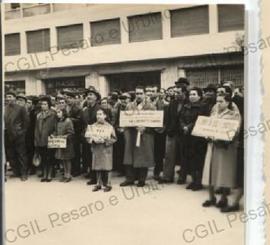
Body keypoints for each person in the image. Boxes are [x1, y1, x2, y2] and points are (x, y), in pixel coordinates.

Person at [202, 94, 241, 210]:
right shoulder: (214, 113)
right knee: (209, 170)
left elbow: (235, 130)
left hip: (225, 148)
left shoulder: (234, 115)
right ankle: (211, 197)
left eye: (221, 101)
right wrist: (206, 135)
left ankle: (224, 198)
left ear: (228, 102)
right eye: (217, 101)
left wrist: (224, 139)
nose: (218, 104)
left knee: (224, 172)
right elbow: (207, 127)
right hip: (212, 145)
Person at [120, 86, 156, 187]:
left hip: (144, 134)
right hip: (131, 133)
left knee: (142, 156)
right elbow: (125, 119)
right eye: (137, 93)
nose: (139, 95)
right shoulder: (129, 106)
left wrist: (145, 127)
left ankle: (141, 179)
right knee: (129, 156)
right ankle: (130, 178)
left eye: (140, 93)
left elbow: (154, 121)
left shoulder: (151, 106)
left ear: (144, 94)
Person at [178, 87, 207, 190]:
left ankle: (198, 182)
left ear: (199, 96)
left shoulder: (203, 107)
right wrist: (183, 126)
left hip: (197, 137)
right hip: (186, 136)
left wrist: (188, 127)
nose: (191, 96)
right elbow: (180, 117)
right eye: (190, 94)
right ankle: (193, 180)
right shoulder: (186, 106)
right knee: (189, 159)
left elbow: (200, 120)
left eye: (194, 94)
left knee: (197, 160)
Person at [158, 86, 186, 183]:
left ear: (184, 93)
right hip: (171, 132)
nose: (176, 94)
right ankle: (167, 177)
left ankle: (182, 177)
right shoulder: (172, 103)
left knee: (183, 156)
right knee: (169, 155)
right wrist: (168, 129)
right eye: (175, 92)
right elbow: (167, 117)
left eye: (178, 92)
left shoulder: (187, 103)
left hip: (183, 133)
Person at [86, 108, 117, 192]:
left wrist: (105, 141)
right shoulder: (92, 126)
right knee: (97, 166)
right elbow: (88, 137)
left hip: (106, 149)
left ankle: (108, 184)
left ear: (105, 116)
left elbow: (114, 138)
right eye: (97, 114)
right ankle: (98, 183)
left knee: (107, 167)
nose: (98, 116)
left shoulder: (109, 127)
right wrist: (93, 140)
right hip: (96, 148)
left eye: (100, 114)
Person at [5, 91, 29, 181]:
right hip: (8, 135)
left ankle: (24, 174)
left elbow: (26, 122)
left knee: (21, 155)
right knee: (11, 155)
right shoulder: (5, 108)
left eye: (10, 96)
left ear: (14, 98)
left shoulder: (21, 108)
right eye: (7, 97)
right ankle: (16, 172)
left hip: (19, 136)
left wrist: (21, 132)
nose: (8, 98)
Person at [80, 87, 101, 184]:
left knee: (96, 156)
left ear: (96, 98)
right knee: (88, 156)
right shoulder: (85, 110)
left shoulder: (100, 109)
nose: (88, 97)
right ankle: (93, 176)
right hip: (87, 136)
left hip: (97, 136)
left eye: (91, 95)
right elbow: (82, 123)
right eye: (87, 95)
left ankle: (98, 177)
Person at [34, 96, 57, 182]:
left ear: (49, 105)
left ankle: (50, 174)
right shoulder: (38, 115)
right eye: (42, 104)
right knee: (43, 157)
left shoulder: (53, 114)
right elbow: (36, 128)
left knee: (50, 157)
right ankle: (44, 174)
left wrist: (53, 134)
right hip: (40, 139)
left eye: (45, 104)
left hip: (49, 139)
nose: (43, 106)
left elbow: (56, 127)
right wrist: (36, 140)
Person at [52, 108, 75, 183]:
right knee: (63, 159)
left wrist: (66, 136)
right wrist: (53, 135)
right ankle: (65, 175)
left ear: (63, 113)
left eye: (59, 112)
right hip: (60, 143)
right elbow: (56, 131)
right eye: (57, 112)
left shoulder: (68, 121)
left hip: (67, 144)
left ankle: (68, 175)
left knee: (67, 159)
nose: (57, 113)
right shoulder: (58, 121)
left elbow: (71, 132)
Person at [65, 91, 83, 177]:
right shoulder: (65, 108)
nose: (68, 100)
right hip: (68, 132)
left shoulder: (78, 108)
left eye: (70, 98)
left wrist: (70, 119)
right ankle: (70, 169)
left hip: (76, 133)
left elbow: (80, 121)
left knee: (76, 151)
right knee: (69, 151)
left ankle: (77, 169)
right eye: (67, 98)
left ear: (74, 99)